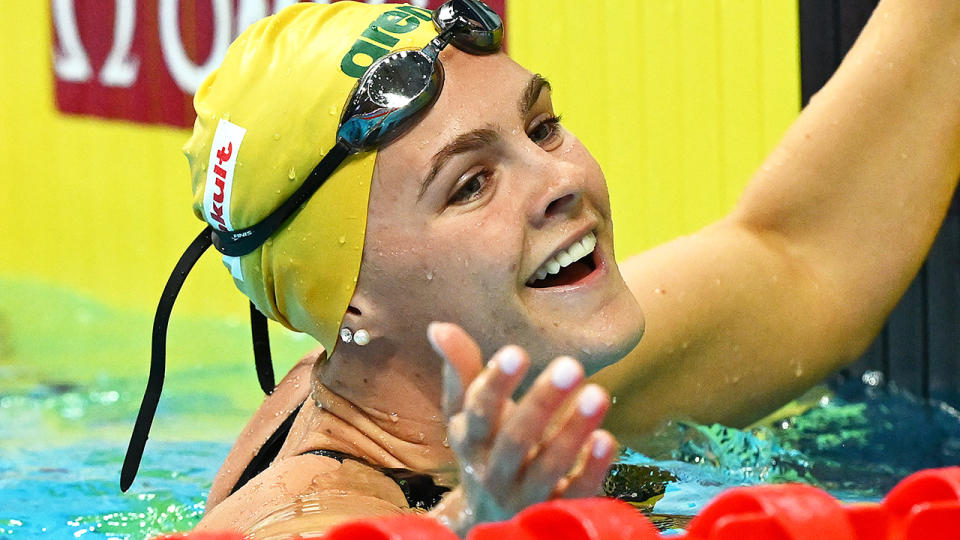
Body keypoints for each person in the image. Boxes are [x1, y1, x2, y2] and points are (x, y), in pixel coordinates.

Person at [130, 0, 960, 536]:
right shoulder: (298, 515)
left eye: (544, 126)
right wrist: (479, 524)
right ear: (350, 302)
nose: (561, 180)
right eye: (470, 185)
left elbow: (803, 259)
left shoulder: (528, 377)